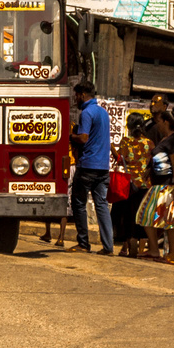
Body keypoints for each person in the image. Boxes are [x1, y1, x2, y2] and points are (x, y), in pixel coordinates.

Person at [140, 107, 174, 264]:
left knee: (171, 220)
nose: (158, 124)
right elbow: (159, 157)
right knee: (146, 216)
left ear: (166, 122)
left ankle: (172, 255)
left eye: (160, 121)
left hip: (169, 185)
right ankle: (154, 249)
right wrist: (149, 171)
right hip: (159, 185)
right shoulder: (164, 139)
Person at [68, 81, 113, 254]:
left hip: (87, 165)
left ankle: (83, 243)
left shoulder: (86, 113)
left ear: (82, 95)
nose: (76, 99)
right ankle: (108, 246)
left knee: (78, 202)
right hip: (103, 167)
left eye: (76, 96)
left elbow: (84, 138)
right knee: (101, 204)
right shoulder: (103, 112)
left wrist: (71, 136)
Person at [112, 112, 153, 257]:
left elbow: (119, 159)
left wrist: (111, 147)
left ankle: (130, 242)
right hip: (145, 185)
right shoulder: (149, 143)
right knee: (141, 215)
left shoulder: (125, 142)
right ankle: (140, 247)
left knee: (127, 215)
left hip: (129, 184)